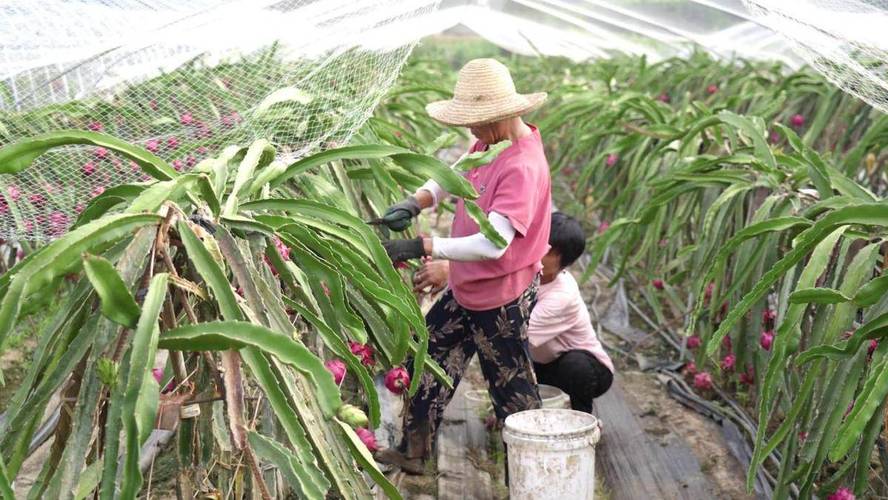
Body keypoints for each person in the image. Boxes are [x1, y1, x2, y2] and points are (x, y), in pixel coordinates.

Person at [375, 58, 551, 474]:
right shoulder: (490, 144)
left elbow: (493, 245)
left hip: (501, 299)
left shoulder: (523, 166)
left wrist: (422, 245)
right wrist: (416, 200)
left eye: (476, 121)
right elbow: (453, 175)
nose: (470, 130)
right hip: (466, 288)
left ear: (503, 114)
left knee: (513, 393)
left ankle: (534, 476)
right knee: (429, 362)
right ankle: (414, 453)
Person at [413, 213, 614, 414]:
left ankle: (583, 419)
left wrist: (454, 271)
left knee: (574, 367)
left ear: (565, 262)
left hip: (586, 367)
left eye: (549, 250)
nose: (538, 249)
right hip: (540, 361)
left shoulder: (562, 295)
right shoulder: (525, 273)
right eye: (538, 240)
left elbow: (514, 335)